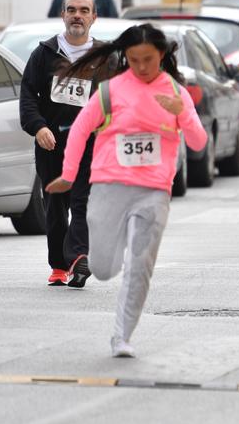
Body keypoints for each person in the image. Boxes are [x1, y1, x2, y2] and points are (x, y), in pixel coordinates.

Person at [45, 24, 208, 356]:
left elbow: (198, 143)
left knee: (139, 266)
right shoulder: (110, 91)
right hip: (108, 187)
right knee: (104, 268)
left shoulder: (176, 94)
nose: (142, 67)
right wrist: (69, 174)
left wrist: (184, 117)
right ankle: (112, 249)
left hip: (153, 191)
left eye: (148, 59)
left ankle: (122, 337)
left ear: (161, 56)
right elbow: (79, 130)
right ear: (126, 58)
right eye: (134, 60)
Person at [20, 0, 102, 287]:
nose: (77, 15)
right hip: (52, 143)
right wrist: (38, 127)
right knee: (55, 204)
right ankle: (58, 264)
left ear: (94, 17)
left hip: (90, 145)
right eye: (71, 10)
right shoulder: (44, 53)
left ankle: (80, 257)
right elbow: (28, 94)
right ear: (63, 15)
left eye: (83, 10)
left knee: (83, 201)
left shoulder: (106, 58)